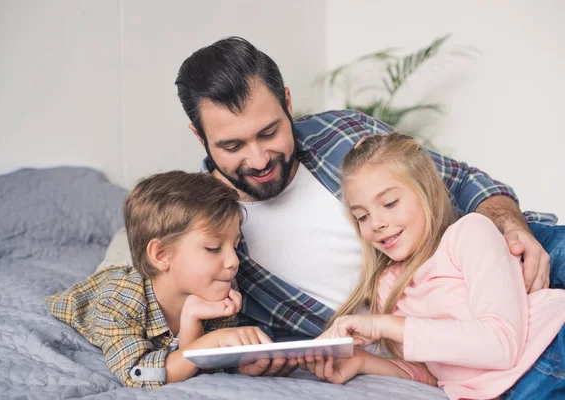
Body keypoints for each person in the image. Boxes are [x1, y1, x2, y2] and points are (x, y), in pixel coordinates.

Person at [173, 36, 565, 375]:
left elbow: (459, 180)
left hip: (512, 261)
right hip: (450, 340)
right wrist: (254, 359)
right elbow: (197, 336)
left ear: (287, 102)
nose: (258, 159)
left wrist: (510, 226)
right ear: (198, 135)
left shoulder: (341, 133)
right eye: (232, 146)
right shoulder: (201, 231)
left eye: (269, 132)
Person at [300, 132, 565, 399]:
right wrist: (362, 361)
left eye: (390, 203)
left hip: (551, 348)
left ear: (430, 194)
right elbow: (435, 373)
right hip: (507, 389)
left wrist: (383, 325)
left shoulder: (469, 234)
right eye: (362, 216)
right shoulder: (388, 287)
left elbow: (502, 344)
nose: (376, 223)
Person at [45, 171, 272, 388]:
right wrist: (211, 342)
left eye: (235, 246)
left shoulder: (221, 286)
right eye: (213, 248)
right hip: (112, 277)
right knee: (120, 254)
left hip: (156, 266)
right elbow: (140, 375)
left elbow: (193, 365)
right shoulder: (116, 301)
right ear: (161, 255)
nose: (234, 261)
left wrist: (241, 365)